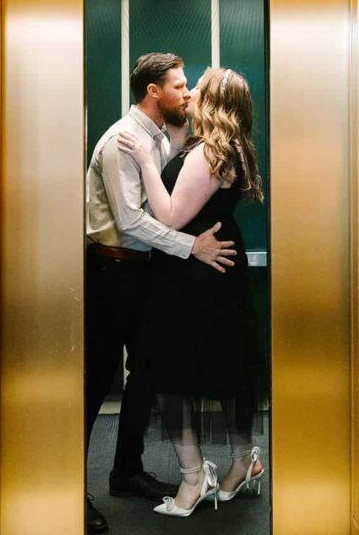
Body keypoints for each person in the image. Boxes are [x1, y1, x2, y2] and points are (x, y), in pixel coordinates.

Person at [85, 53, 238, 534]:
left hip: (143, 272)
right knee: (93, 381)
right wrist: (191, 246)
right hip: (111, 271)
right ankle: (70, 487)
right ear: (153, 91)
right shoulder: (121, 141)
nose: (188, 93)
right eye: (179, 85)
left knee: (147, 373)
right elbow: (131, 220)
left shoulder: (158, 138)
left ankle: (125, 472)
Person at [117, 66, 266, 518]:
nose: (192, 90)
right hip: (212, 272)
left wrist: (145, 160)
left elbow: (169, 218)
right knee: (225, 370)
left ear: (216, 101)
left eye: (199, 86)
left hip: (193, 281)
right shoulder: (226, 146)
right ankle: (244, 463)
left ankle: (192, 480)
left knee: (174, 374)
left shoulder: (211, 154)